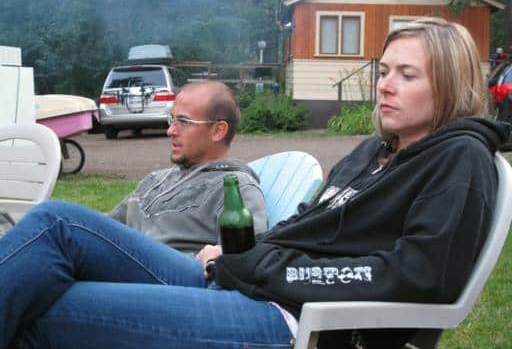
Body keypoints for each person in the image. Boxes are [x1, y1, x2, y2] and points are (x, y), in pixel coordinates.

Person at [0, 18, 509, 349]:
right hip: (243, 283)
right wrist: (235, 254)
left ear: (447, 84)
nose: (385, 84)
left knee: (49, 307)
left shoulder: (458, 158)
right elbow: (309, 230)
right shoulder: (374, 152)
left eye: (408, 75)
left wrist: (267, 269)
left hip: (292, 322)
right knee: (56, 223)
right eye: (385, 70)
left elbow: (419, 275)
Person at [107, 80, 267, 254]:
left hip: (170, 273)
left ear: (218, 131)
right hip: (117, 263)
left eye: (184, 121)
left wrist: (217, 256)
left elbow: (247, 259)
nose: (170, 131)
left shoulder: (236, 189)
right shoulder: (155, 180)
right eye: (172, 119)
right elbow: (103, 228)